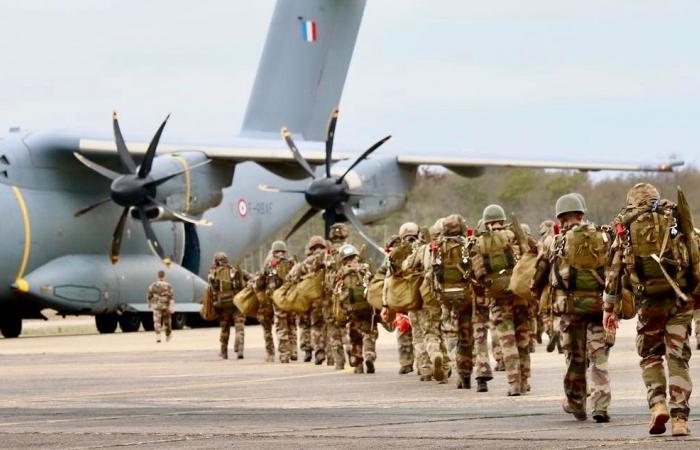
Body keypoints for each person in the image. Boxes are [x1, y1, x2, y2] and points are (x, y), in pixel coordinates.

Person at [603, 183, 695, 436]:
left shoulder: (626, 225)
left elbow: (614, 270)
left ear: (632, 201)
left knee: (650, 356)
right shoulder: (674, 217)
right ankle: (680, 419)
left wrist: (609, 309)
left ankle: (657, 404)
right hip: (679, 300)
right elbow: (694, 253)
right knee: (677, 357)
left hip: (648, 302)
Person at [532, 193, 612, 423]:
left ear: (559, 218)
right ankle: (601, 405)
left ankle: (577, 402)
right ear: (582, 213)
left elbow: (539, 274)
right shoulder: (602, 237)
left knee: (575, 358)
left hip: (569, 309)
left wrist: (536, 294)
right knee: (599, 357)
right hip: (599, 307)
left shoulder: (553, 240)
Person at [471, 204, 530, 396]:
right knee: (522, 340)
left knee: (507, 341)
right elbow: (529, 258)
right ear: (503, 220)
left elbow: (477, 274)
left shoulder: (479, 243)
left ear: (486, 222)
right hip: (519, 297)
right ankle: (525, 381)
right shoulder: (514, 236)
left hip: (497, 300)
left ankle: (514, 383)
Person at [431, 214, 477, 390]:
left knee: (449, 336)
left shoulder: (437, 248)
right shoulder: (468, 245)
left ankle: (450, 363)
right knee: (466, 337)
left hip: (445, 299)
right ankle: (465, 375)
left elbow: (431, 275)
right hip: (465, 298)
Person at [333, 244, 376, 374]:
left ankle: (359, 362)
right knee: (368, 333)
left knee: (357, 336)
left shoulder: (341, 273)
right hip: (363, 307)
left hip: (352, 310)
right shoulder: (364, 270)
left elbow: (333, 290)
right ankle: (368, 355)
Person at [287, 236, 328, 364]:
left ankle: (308, 351)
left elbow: (291, 277)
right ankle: (320, 351)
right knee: (320, 325)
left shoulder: (305, 263)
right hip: (321, 300)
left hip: (306, 300)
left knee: (306, 326)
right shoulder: (327, 260)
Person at [255, 241, 292, 362]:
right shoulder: (290, 264)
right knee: (289, 327)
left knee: (276, 328)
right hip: (286, 300)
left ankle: (278, 354)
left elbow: (259, 284)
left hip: (273, 301)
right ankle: (289, 353)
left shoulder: (269, 265)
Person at [208, 252, 249, 360]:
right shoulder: (235, 270)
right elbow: (250, 279)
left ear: (217, 262)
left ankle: (224, 352)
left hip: (222, 306)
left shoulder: (213, 273)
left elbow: (211, 290)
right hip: (237, 303)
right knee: (239, 327)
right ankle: (239, 348)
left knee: (224, 329)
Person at [146, 270, 175, 343]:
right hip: (166, 306)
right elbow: (171, 297)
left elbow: (149, 296)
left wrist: (149, 304)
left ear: (157, 276)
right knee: (167, 322)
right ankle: (168, 334)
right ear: (164, 276)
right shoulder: (168, 285)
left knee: (157, 322)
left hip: (157, 306)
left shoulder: (152, 285)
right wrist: (172, 306)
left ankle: (158, 336)